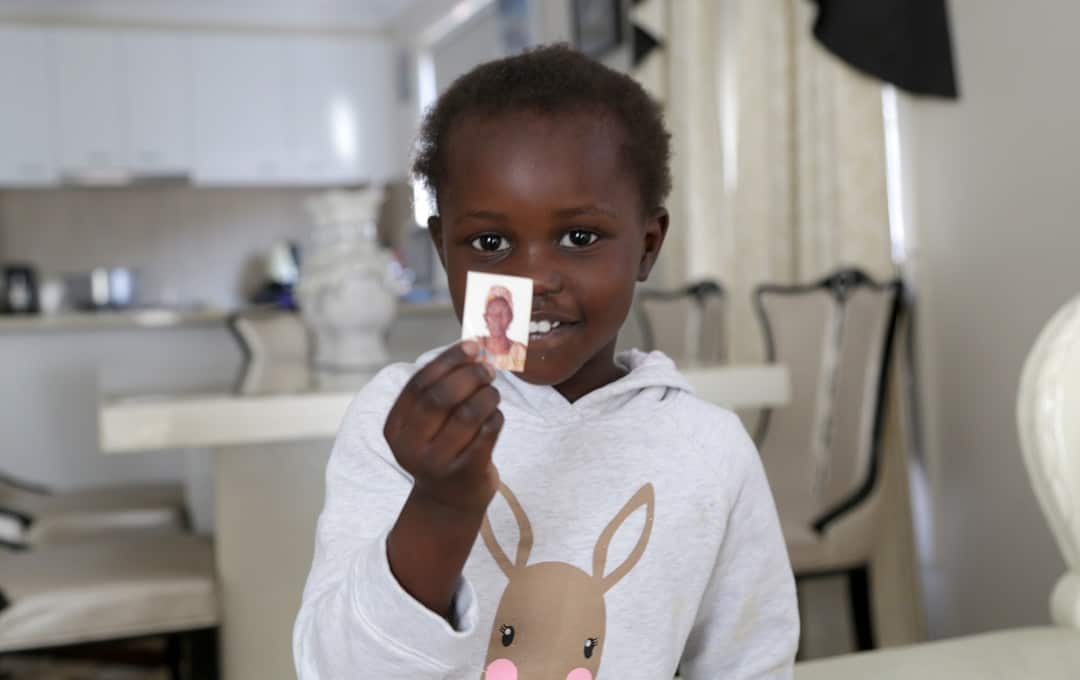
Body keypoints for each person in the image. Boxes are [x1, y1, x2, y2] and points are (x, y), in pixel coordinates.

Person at [294, 45, 798, 679]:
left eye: (579, 238)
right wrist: (440, 504)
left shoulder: (711, 449)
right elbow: (337, 669)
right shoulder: (395, 420)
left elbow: (748, 663)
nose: (533, 279)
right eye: (491, 242)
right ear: (444, 251)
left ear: (647, 246)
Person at [474, 284, 528, 372]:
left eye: (503, 313)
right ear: (485, 317)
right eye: (492, 312)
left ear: (511, 317)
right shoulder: (474, 345)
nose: (497, 318)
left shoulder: (520, 351)